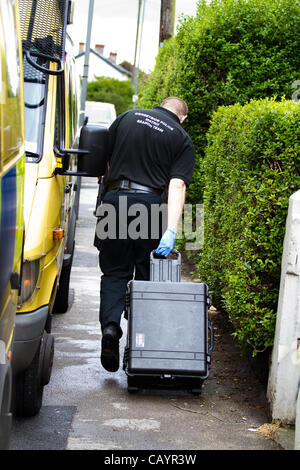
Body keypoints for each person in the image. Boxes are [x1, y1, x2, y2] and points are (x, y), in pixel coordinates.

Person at [97, 97, 195, 372]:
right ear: (182, 117)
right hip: (150, 207)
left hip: (115, 200)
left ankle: (110, 329)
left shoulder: (126, 117)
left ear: (159, 106)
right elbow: (177, 186)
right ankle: (141, 343)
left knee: (115, 271)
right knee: (146, 277)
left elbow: (103, 159)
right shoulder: (182, 139)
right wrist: (171, 229)